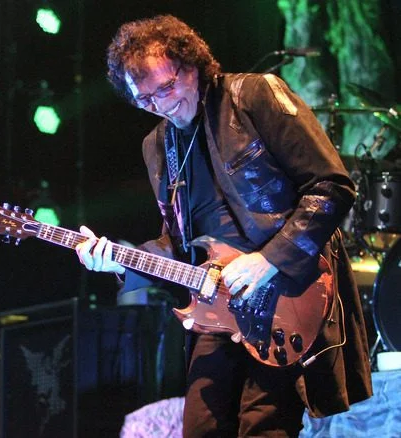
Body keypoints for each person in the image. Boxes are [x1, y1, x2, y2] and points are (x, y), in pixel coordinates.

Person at [75, 15, 372, 437]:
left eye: (167, 86)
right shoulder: (158, 146)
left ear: (192, 64)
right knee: (200, 429)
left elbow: (332, 186)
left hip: (285, 296)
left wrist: (268, 260)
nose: (161, 104)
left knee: (263, 427)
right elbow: (178, 246)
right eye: (144, 99)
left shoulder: (255, 95)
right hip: (218, 308)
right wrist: (119, 262)